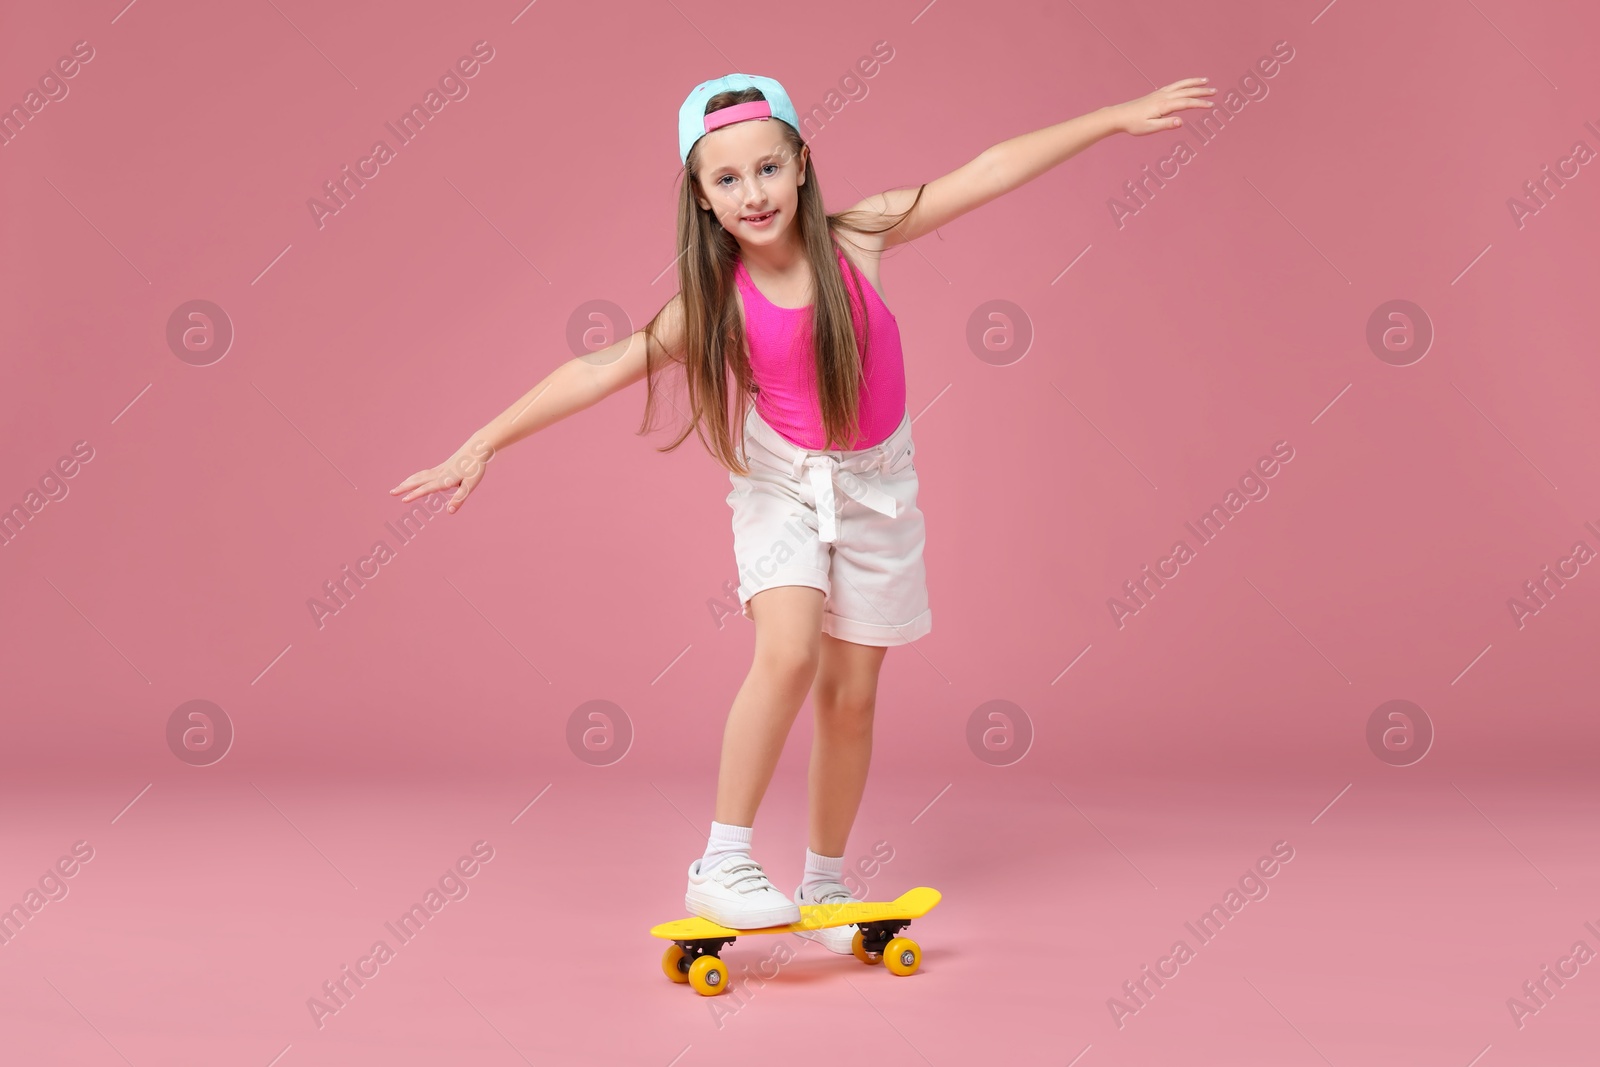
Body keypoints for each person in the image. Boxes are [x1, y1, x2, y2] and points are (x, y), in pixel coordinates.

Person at [391, 71, 1212, 952]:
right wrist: (485, 440)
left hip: (879, 485)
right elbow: (599, 368)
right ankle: (722, 861)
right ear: (703, 201)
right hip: (784, 481)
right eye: (728, 180)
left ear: (803, 164)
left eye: (768, 168)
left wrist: (1112, 116)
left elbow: (990, 170)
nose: (754, 193)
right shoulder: (710, 305)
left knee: (851, 699)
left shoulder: (856, 238)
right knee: (785, 651)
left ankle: (823, 880)